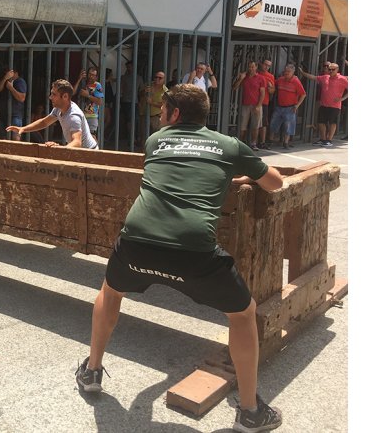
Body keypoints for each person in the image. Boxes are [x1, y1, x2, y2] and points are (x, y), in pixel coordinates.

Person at [75, 84, 284, 433]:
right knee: (243, 313)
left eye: (163, 109)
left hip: (136, 243)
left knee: (110, 291)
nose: (159, 114)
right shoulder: (229, 144)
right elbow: (274, 182)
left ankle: (92, 370)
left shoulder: (156, 140)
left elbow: (175, 172)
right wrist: (241, 175)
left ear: (174, 115)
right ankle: (250, 412)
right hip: (193, 252)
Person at [6, 79, 97, 149]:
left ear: (65, 96)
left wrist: (59, 149)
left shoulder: (73, 116)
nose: (50, 97)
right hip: (78, 151)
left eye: (54, 94)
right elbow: (44, 122)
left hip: (90, 154)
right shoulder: (58, 109)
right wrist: (23, 129)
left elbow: (77, 142)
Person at [299, 62, 348, 147]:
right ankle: (323, 139)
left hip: (335, 106)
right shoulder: (325, 77)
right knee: (321, 122)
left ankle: (329, 140)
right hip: (324, 104)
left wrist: (342, 99)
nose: (331, 71)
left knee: (332, 123)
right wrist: (303, 73)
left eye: (333, 69)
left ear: (337, 70)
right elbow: (313, 77)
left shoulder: (342, 79)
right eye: (329, 69)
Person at [268, 64, 306, 150]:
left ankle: (286, 142)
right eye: (285, 71)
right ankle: (270, 141)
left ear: (293, 72)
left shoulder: (296, 82)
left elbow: (303, 94)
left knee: (288, 126)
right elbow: (274, 84)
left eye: (288, 72)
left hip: (290, 108)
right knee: (273, 124)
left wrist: (297, 105)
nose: (286, 73)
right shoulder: (281, 80)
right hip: (279, 106)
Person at [231, 61, 265, 151]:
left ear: (256, 67)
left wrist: (259, 106)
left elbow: (262, 93)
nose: (251, 69)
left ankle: (253, 143)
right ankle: (242, 143)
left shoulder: (261, 78)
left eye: (252, 67)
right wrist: (240, 79)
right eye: (249, 67)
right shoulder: (244, 76)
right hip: (245, 104)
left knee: (255, 126)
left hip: (256, 105)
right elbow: (234, 88)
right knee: (243, 125)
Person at [137, 71, 168, 145]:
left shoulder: (165, 91)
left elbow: (164, 105)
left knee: (155, 139)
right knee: (144, 138)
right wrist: (144, 91)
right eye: (156, 77)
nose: (157, 79)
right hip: (144, 115)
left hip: (156, 117)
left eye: (160, 78)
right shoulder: (148, 85)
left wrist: (152, 103)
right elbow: (138, 94)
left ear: (164, 80)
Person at [75, 67, 104, 139]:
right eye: (90, 74)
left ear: (96, 77)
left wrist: (88, 95)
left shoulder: (96, 85)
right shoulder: (83, 83)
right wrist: (79, 79)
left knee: (92, 138)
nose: (91, 77)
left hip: (91, 115)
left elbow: (100, 101)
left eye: (93, 75)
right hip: (80, 115)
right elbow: (72, 93)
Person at [1, 69, 27, 141]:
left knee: (15, 138)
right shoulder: (6, 81)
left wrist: (11, 88)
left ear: (14, 72)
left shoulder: (20, 81)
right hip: (4, 114)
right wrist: (5, 79)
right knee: (4, 138)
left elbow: (22, 98)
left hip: (15, 115)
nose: (7, 74)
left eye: (8, 72)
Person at [256, 60, 276, 150]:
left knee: (263, 123)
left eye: (268, 66)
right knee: (254, 123)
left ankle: (262, 142)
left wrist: (270, 87)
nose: (266, 67)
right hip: (253, 101)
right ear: (261, 64)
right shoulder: (256, 73)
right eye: (265, 65)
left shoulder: (270, 76)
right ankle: (253, 142)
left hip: (264, 102)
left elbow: (272, 91)